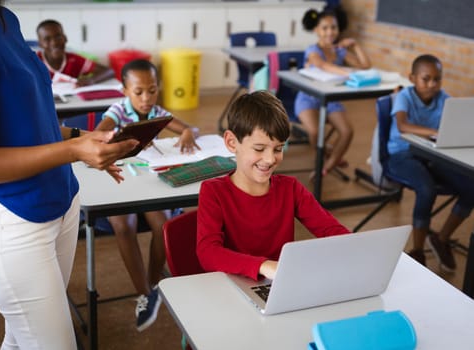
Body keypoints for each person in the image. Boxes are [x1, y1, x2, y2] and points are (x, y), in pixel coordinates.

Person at [0, 1, 139, 348]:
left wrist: (84, 138)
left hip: (61, 205)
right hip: (13, 223)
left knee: (21, 340)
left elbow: (35, 122)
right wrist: (74, 151)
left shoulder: (4, 18)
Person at [196, 91, 350, 281]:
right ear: (231, 142)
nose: (270, 159)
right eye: (259, 149)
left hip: (279, 286)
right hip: (232, 287)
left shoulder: (290, 188)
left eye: (278, 149)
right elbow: (208, 254)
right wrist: (263, 266)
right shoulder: (214, 192)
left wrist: (355, 246)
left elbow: (330, 230)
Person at [95, 59, 200, 331]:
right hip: (118, 180)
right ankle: (144, 293)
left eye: (152, 90)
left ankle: (153, 285)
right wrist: (122, 138)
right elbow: (98, 136)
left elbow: (189, 127)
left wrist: (188, 132)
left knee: (163, 225)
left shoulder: (156, 111)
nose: (145, 98)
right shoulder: (118, 110)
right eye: (138, 92)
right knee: (124, 224)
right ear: (125, 90)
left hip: (147, 179)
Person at [387, 54, 474, 271]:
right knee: (426, 189)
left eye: (437, 79)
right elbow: (403, 126)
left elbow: (458, 125)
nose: (432, 85)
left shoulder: (445, 99)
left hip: (432, 155)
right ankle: (417, 251)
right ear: (412, 78)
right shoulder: (404, 96)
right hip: (401, 155)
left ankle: (441, 238)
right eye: (426, 79)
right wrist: (435, 132)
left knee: (471, 188)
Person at [295, 8, 371, 180]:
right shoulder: (312, 50)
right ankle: (327, 155)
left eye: (334, 28)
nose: (330, 32)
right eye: (325, 28)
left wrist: (355, 46)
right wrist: (347, 73)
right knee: (315, 133)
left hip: (331, 101)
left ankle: (325, 168)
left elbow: (365, 66)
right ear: (316, 30)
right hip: (308, 99)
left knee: (347, 131)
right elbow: (321, 65)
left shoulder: (340, 51)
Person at [36, 19, 115, 86]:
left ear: (65, 38)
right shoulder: (34, 61)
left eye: (58, 37)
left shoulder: (73, 59)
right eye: (47, 39)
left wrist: (91, 80)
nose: (54, 43)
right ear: (40, 44)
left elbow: (110, 71)